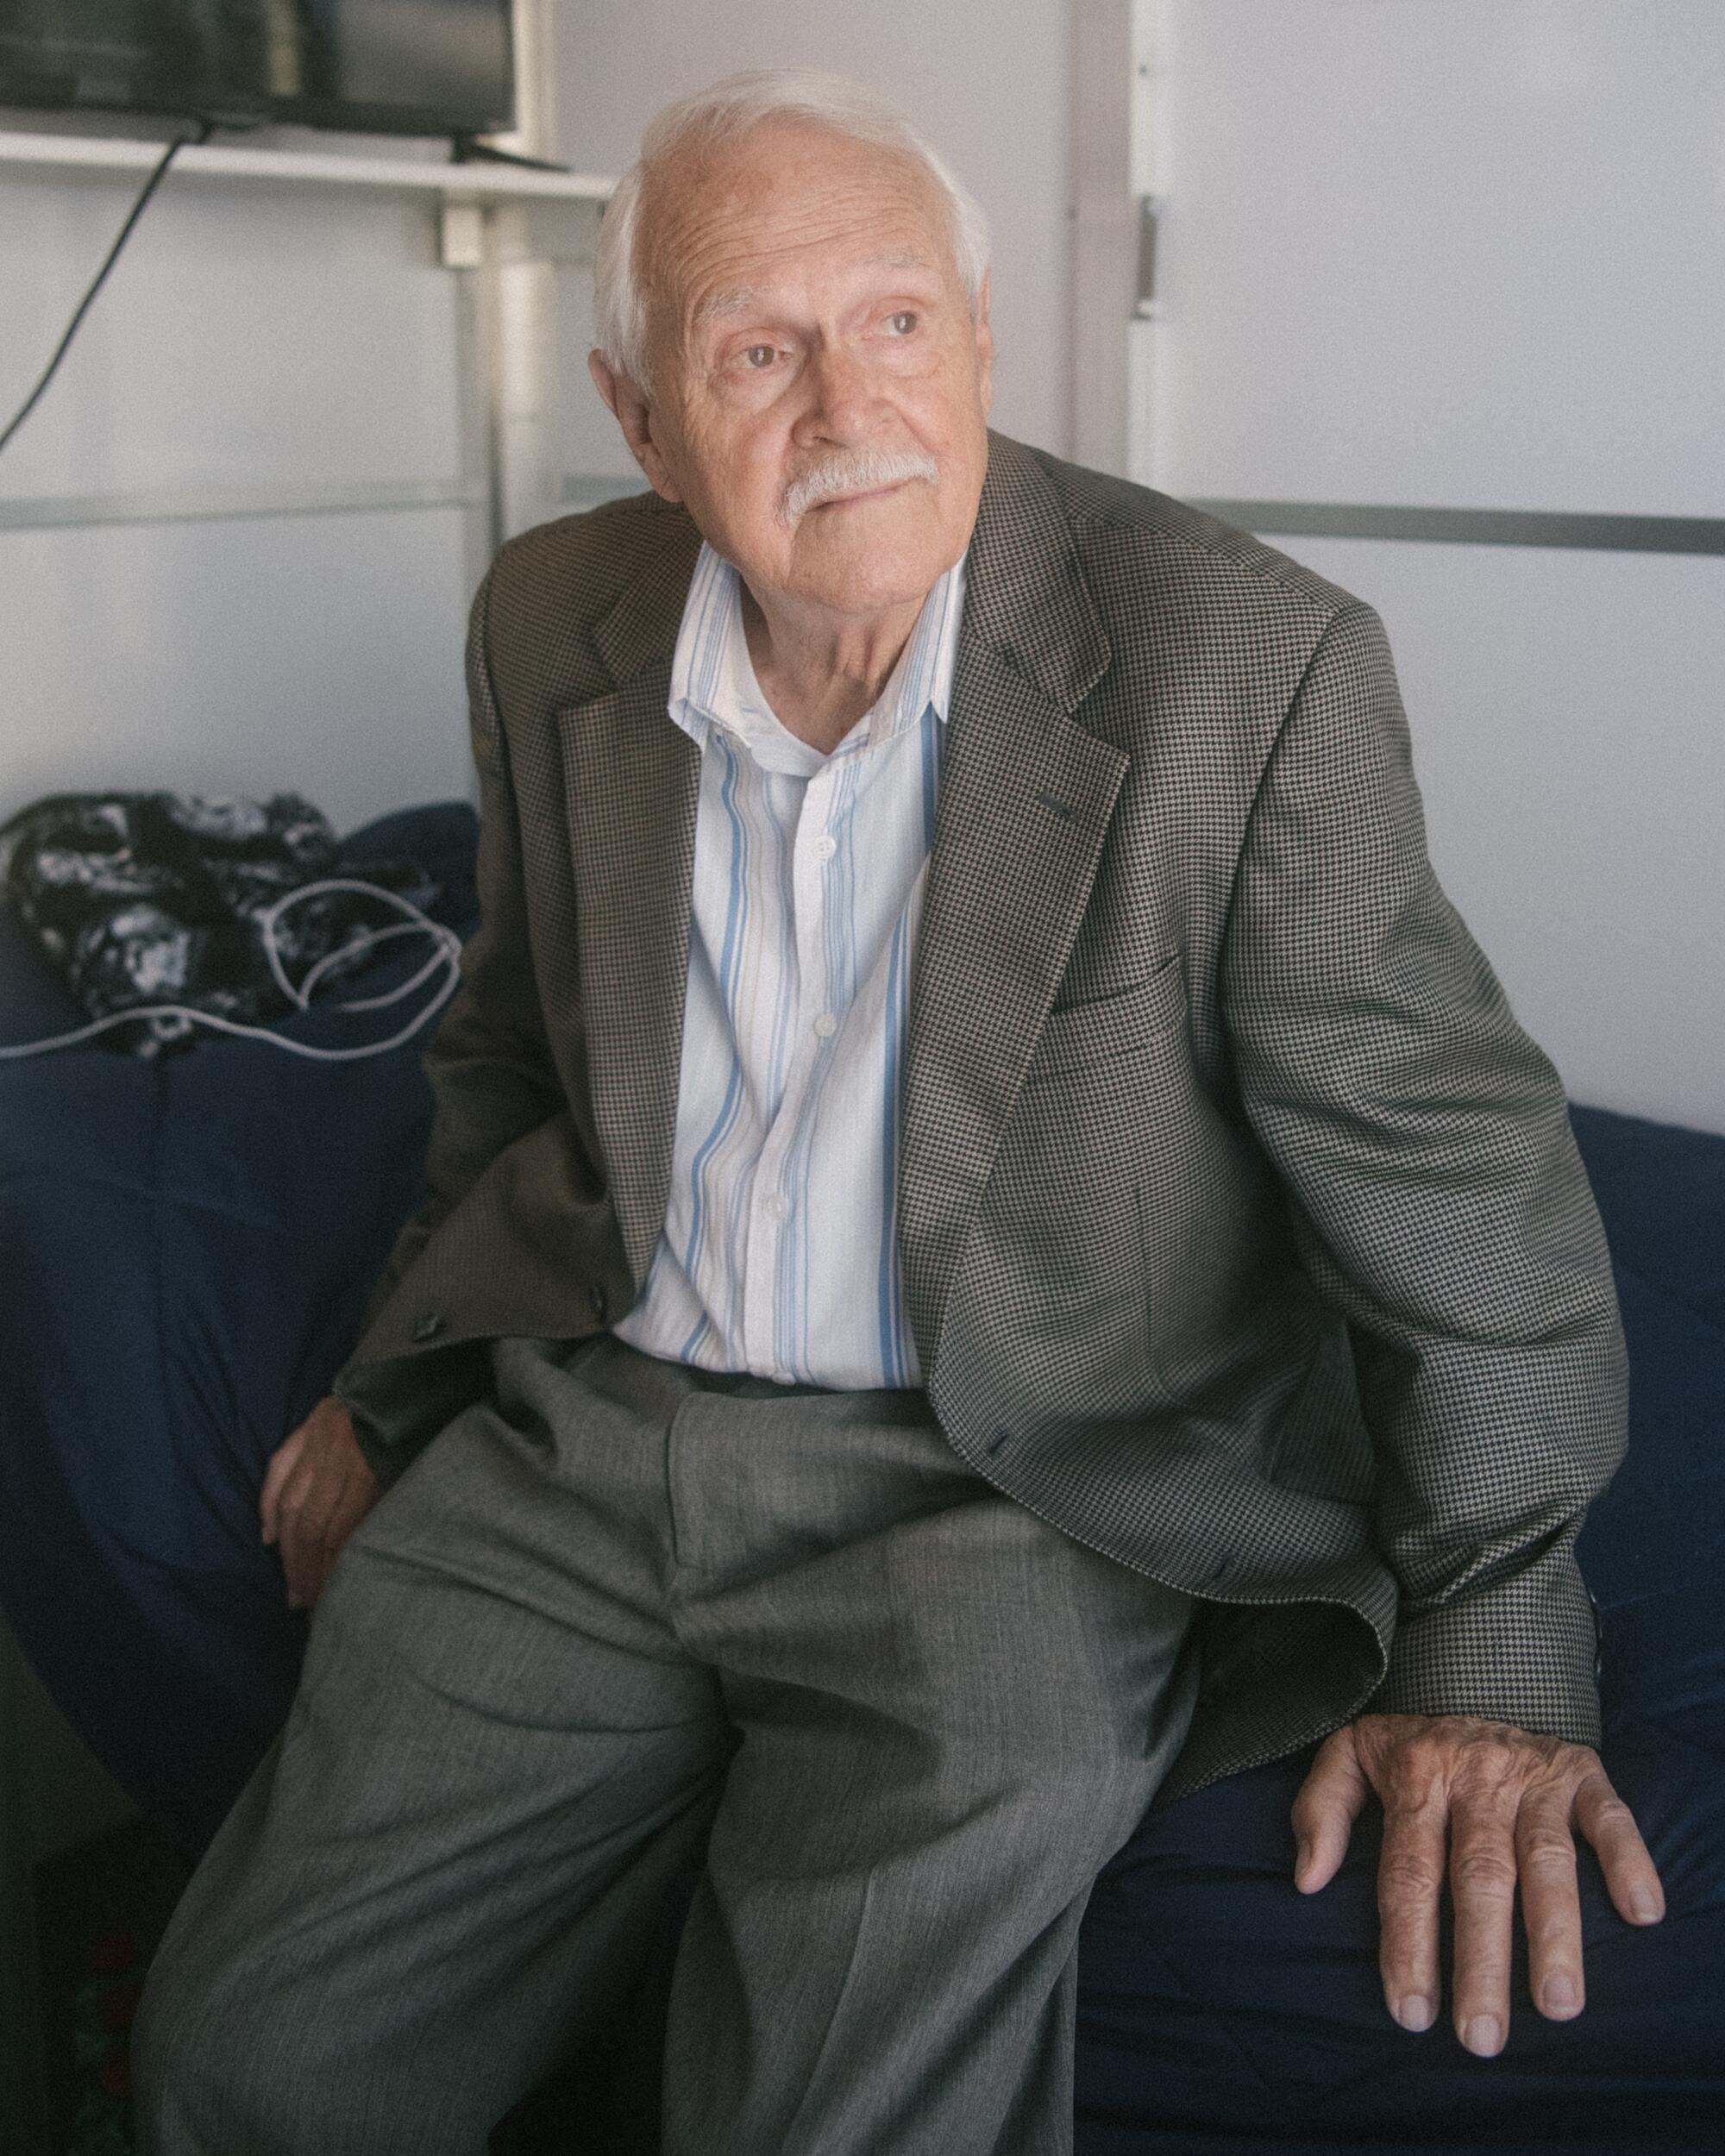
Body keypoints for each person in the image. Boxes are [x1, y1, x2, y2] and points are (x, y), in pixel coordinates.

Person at [135, 68, 1665, 2156]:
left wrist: (1494, 1631)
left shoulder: (1242, 667)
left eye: (896, 322)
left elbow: (1460, 1183)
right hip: (593, 1443)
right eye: (755, 350)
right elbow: (506, 1045)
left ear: (978, 335)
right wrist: (404, 1377)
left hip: (1012, 1493)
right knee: (247, 2062)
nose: (846, 409)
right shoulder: (547, 614)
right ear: (641, 417)